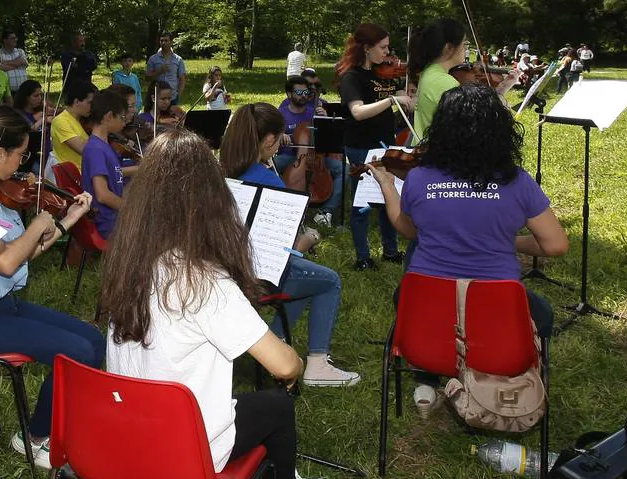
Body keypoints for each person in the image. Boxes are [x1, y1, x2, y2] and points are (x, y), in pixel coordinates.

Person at [101, 129, 332, 479]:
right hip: (184, 450)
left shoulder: (128, 262)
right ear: (211, 201)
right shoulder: (201, 280)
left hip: (128, 434)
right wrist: (297, 363)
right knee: (277, 406)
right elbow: (282, 365)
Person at [368, 83, 568, 414]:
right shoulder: (518, 181)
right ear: (500, 131)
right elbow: (556, 244)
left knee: (404, 295)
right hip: (499, 314)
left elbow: (407, 229)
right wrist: (510, 240)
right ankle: (505, 383)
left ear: (442, 129)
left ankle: (428, 378)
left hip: (425, 324)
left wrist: (389, 187)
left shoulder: (419, 179)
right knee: (542, 314)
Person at [0, 106, 103, 470]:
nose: (24, 165)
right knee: (77, 351)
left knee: (94, 342)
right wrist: (39, 223)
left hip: (4, 306)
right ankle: (35, 438)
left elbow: (22, 254)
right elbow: (5, 262)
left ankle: (59, 425)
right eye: (21, 155)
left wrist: (67, 220)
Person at [219, 103, 360, 386]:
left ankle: (276, 342)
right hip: (256, 275)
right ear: (269, 141)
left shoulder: (219, 174)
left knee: (309, 276)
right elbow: (282, 249)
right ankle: (317, 364)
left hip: (224, 271)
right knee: (328, 280)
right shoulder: (269, 181)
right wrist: (307, 240)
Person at [335, 24, 413, 271]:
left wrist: (406, 95)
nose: (387, 52)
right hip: (361, 146)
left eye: (388, 47)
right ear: (366, 49)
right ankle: (363, 257)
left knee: (390, 196)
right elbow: (357, 112)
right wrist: (391, 100)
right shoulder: (352, 77)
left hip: (385, 143)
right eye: (382, 47)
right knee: (363, 203)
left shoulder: (385, 73)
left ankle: (391, 251)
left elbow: (402, 96)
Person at [273, 75, 343, 228]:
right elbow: (272, 136)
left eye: (306, 92)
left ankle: (326, 212)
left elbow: (329, 138)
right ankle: (279, 206)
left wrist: (326, 121)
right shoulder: (282, 113)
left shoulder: (315, 112)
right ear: (289, 94)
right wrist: (281, 135)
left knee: (344, 170)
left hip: (317, 158)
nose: (303, 96)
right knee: (273, 165)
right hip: (290, 156)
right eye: (299, 92)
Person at [81, 90, 137, 239]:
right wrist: (131, 209)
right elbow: (102, 195)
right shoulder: (95, 149)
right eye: (122, 117)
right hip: (108, 223)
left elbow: (115, 177)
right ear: (109, 116)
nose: (125, 122)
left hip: (115, 218)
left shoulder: (104, 145)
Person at [50, 82, 94, 172]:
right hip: (73, 176)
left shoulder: (80, 119)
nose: (93, 107)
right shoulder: (61, 121)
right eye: (90, 102)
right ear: (77, 101)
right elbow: (83, 149)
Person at [12, 79, 53, 175]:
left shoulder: (42, 111)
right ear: (26, 97)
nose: (40, 98)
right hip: (32, 159)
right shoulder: (19, 115)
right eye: (36, 96)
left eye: (41, 95)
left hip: (48, 157)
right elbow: (29, 130)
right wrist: (43, 120)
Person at [145, 31, 186, 101]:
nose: (163, 43)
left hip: (172, 97)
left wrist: (178, 95)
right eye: (161, 41)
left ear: (171, 42)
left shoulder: (178, 60)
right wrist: (159, 71)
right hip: (157, 97)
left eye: (166, 40)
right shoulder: (153, 59)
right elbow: (147, 78)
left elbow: (182, 79)